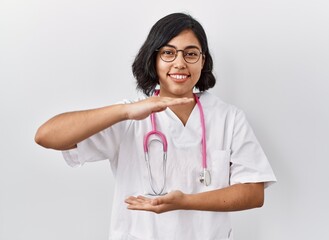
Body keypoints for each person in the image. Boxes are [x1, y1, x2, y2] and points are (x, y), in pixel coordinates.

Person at [35, 12, 276, 240]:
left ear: (203, 61)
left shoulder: (228, 117)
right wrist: (125, 111)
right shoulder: (129, 117)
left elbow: (253, 193)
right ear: (153, 58)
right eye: (168, 53)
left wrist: (185, 202)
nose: (180, 63)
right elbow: (47, 136)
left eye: (191, 54)